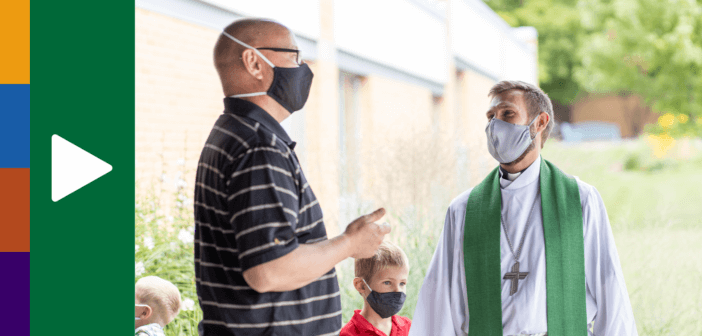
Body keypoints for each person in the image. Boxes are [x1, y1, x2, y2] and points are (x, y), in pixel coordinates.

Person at [194, 18, 390, 336]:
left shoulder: (234, 133)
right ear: (254, 62)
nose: (303, 67)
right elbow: (270, 270)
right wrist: (351, 243)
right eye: (293, 56)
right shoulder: (259, 147)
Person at [409, 81, 638, 336]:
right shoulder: (463, 211)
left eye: (507, 114)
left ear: (539, 122)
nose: (495, 125)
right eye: (490, 117)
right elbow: (438, 303)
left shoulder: (580, 201)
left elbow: (610, 292)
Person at [341, 241, 412, 336]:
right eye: (387, 282)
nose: (398, 290)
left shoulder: (409, 327)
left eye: (402, 283)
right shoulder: (349, 334)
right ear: (361, 285)